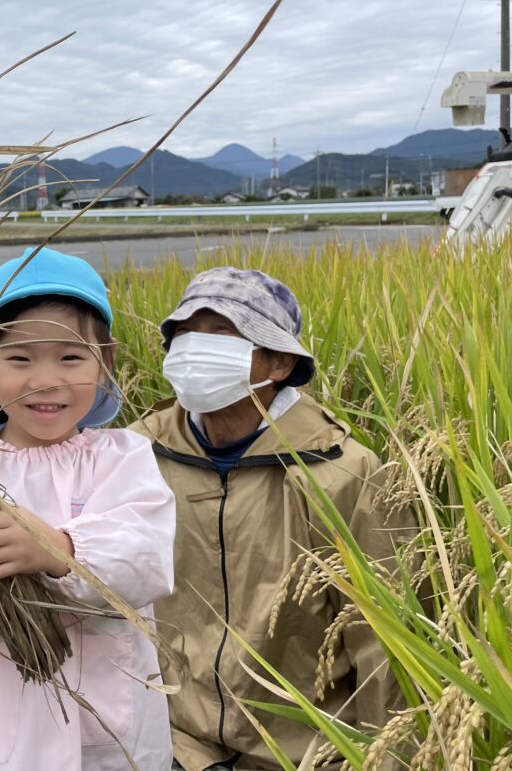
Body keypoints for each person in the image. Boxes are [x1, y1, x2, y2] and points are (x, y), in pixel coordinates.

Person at [0, 247, 176, 771]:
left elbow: (146, 562)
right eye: (20, 359)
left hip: (105, 728)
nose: (46, 381)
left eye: (71, 358)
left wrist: (57, 550)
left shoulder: (123, 458)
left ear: (105, 360)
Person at [128, 267, 411, 771]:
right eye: (185, 334)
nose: (196, 349)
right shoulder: (138, 455)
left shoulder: (343, 473)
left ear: (279, 361)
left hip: (303, 753)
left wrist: (388, 758)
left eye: (221, 334)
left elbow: (382, 641)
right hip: (171, 743)